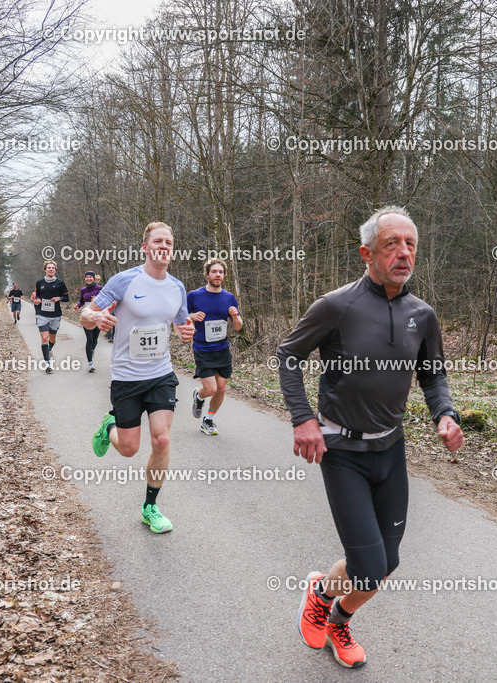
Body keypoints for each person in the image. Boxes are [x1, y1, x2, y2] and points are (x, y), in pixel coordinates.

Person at [277, 206, 463, 669]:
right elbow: (287, 356)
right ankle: (323, 598)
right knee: (368, 567)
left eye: (410, 244)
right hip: (342, 449)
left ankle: (335, 615)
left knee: (388, 563)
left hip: (390, 448)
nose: (404, 253)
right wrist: (303, 419)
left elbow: (433, 374)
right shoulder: (337, 305)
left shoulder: (423, 314)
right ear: (367, 253)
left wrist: (444, 413)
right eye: (391, 245)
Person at [81, 222, 195, 534]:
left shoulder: (177, 287)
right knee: (129, 448)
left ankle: (150, 506)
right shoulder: (124, 281)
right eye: (157, 241)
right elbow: (85, 316)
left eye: (169, 242)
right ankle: (110, 425)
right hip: (126, 379)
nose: (164, 246)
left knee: (162, 439)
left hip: (161, 375)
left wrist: (187, 332)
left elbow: (182, 326)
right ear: (145, 247)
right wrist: (98, 317)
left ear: (172, 250)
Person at [187, 257, 242, 435]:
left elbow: (239, 326)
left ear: (224, 275)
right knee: (210, 389)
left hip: (222, 348)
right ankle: (199, 395)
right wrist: (193, 316)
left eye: (221, 272)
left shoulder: (229, 298)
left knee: (222, 388)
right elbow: (181, 317)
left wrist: (235, 316)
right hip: (202, 348)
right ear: (207, 274)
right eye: (214, 272)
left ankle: (208, 420)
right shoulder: (194, 295)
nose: (218, 275)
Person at [30, 260, 69, 374]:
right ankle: (47, 363)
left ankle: (50, 349)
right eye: (49, 268)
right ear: (45, 270)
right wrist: (37, 300)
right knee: (44, 338)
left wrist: (59, 298)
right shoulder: (40, 282)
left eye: (53, 268)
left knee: (52, 339)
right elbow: (38, 295)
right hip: (42, 314)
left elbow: (67, 298)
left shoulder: (60, 283)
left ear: (55, 270)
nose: (51, 269)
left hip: (55, 315)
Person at [74, 271, 104, 373]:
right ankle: (90, 363)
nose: (88, 279)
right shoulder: (83, 290)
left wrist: (97, 299)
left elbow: (105, 300)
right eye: (86, 277)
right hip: (87, 317)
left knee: (95, 340)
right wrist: (78, 305)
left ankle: (92, 351)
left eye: (90, 277)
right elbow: (82, 301)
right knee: (89, 339)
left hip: (97, 316)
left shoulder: (100, 289)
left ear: (94, 278)